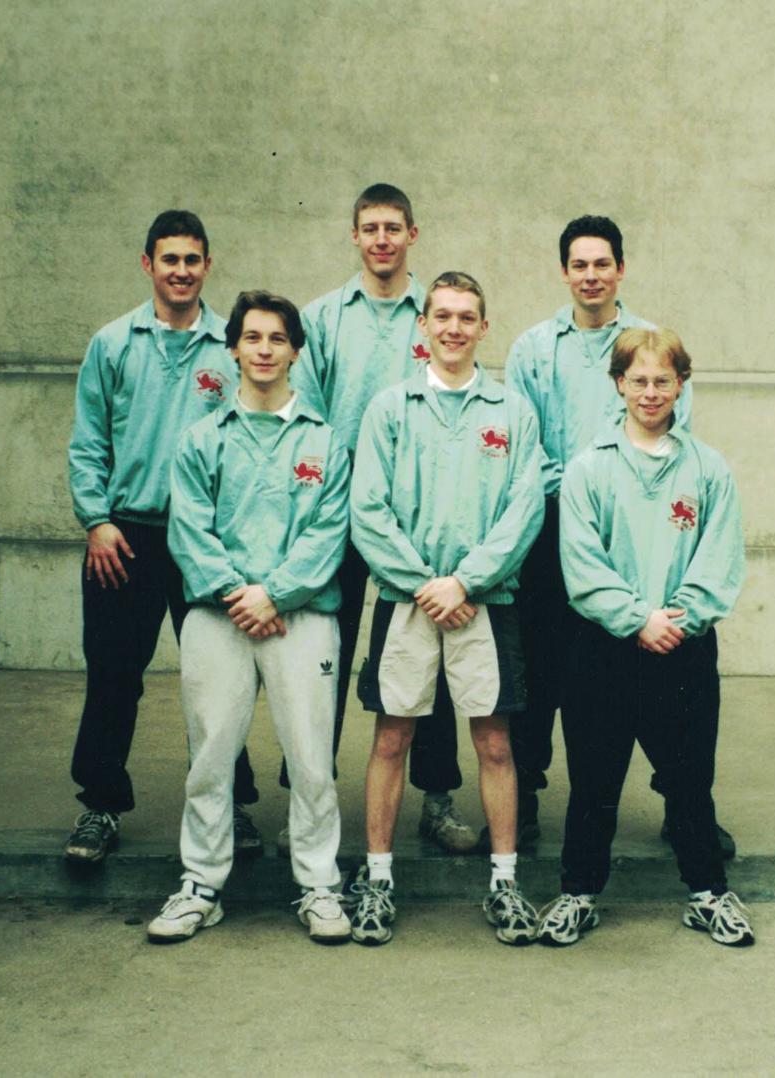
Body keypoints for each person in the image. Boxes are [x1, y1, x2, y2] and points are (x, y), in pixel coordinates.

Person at [505, 215, 735, 858]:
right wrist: (578, 488)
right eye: (579, 264)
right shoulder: (531, 349)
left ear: (620, 269)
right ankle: (523, 799)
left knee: (661, 666)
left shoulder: (648, 347)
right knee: (547, 672)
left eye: (601, 263)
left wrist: (615, 489)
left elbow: (673, 435)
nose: (590, 275)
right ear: (564, 272)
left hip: (640, 522)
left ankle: (683, 805)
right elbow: (522, 445)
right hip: (554, 524)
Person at [271, 183, 475, 858]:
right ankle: (310, 794)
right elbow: (312, 421)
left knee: (434, 655)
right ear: (353, 236)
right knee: (324, 648)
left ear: (413, 234)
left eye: (393, 227)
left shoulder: (435, 313)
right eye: (370, 227)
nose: (382, 238)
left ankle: (437, 798)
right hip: (342, 510)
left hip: (418, 518)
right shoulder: (324, 319)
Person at [536, 327, 754, 948]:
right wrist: (636, 618)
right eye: (639, 380)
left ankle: (707, 893)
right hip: (603, 650)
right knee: (594, 782)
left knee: (689, 780)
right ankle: (579, 893)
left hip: (682, 646)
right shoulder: (589, 468)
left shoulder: (708, 469)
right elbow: (581, 565)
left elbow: (719, 559)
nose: (651, 392)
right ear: (618, 384)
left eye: (663, 380)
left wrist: (677, 617)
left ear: (682, 384)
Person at [348, 272, 545, 945]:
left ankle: (504, 883)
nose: (454, 328)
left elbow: (525, 510)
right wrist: (425, 582)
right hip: (407, 602)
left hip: (484, 604)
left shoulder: (512, 412)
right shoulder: (389, 408)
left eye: (468, 317)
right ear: (423, 326)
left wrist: (465, 582)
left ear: (484, 329)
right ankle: (376, 880)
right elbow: (367, 510)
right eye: (443, 316)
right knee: (392, 737)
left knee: (493, 741)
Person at [146, 291, 350, 944]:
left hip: (301, 618)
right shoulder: (202, 440)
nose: (264, 349)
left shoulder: (325, 442)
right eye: (252, 337)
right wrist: (239, 592)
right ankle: (201, 886)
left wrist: (276, 594)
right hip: (217, 616)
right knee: (211, 757)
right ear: (232, 347)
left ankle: (319, 886)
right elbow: (189, 530)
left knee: (312, 759)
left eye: (277, 338)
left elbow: (328, 534)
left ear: (296, 350)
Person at [62, 210, 253, 864]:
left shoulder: (231, 347)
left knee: (219, 678)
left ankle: (230, 801)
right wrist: (98, 520)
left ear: (207, 265)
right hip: (126, 538)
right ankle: (100, 805)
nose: (181, 271)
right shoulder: (112, 345)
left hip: (204, 540)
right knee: (114, 673)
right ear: (148, 264)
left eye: (192, 260)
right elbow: (88, 445)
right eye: (169, 259)